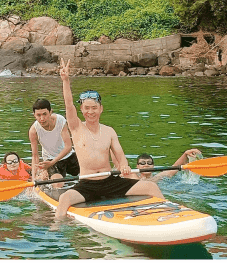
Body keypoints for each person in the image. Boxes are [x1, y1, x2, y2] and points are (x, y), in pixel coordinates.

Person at [53, 58, 165, 222]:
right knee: (64, 199)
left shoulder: (109, 131)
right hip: (87, 184)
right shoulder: (76, 127)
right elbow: (68, 104)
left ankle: (167, 215)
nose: (91, 112)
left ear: (101, 109)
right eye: (87, 108)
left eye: (94, 108)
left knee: (151, 187)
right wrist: (66, 80)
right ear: (82, 110)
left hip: (110, 181)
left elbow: (119, 155)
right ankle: (56, 228)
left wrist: (124, 166)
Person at [29, 98, 80, 185]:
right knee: (58, 184)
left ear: (50, 112)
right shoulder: (33, 131)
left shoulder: (60, 120)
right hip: (50, 160)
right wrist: (34, 179)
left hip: (68, 155)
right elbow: (35, 155)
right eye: (38, 115)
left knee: (89, 173)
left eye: (45, 114)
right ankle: (44, 177)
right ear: (34, 115)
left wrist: (52, 162)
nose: (42, 118)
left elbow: (68, 146)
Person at [126, 149, 202, 182]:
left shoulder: (158, 177)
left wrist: (185, 154)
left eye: (149, 163)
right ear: (137, 166)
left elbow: (175, 167)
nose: (146, 165)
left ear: (153, 166)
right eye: (142, 163)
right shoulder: (133, 177)